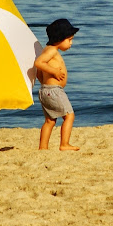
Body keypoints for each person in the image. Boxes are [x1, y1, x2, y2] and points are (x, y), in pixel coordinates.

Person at [34, 18, 80, 151]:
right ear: (60, 38)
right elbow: (38, 63)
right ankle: (64, 144)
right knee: (69, 115)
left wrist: (44, 82)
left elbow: (38, 71)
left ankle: (43, 147)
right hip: (54, 91)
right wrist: (54, 71)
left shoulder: (47, 50)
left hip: (46, 90)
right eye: (69, 39)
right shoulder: (51, 51)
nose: (71, 43)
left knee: (50, 121)